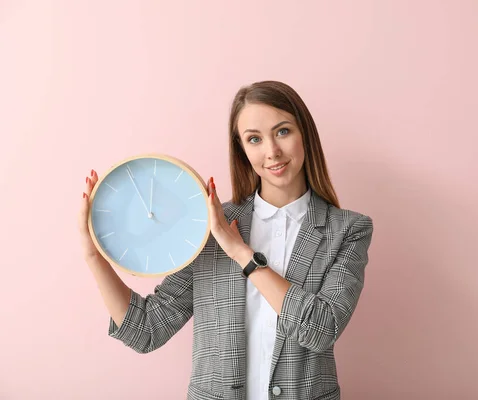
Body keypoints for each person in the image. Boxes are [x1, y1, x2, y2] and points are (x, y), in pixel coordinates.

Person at [78, 80, 374, 400]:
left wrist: (243, 254)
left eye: (283, 131)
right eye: (254, 139)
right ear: (242, 149)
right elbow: (147, 330)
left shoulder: (348, 230)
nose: (272, 151)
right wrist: (95, 257)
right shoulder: (209, 226)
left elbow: (321, 329)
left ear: (305, 133)